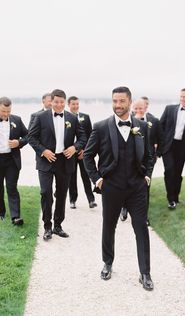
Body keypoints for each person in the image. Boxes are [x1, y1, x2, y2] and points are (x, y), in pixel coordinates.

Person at [84, 86, 154, 291]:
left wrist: (147, 175)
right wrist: (96, 179)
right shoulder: (101, 127)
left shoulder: (142, 126)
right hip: (112, 187)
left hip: (137, 187)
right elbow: (88, 156)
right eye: (114, 101)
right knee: (109, 226)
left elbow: (150, 155)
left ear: (130, 102)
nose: (118, 105)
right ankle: (107, 262)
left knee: (141, 228)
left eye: (122, 101)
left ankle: (145, 272)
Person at [28, 89, 87, 240]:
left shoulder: (72, 118)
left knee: (61, 194)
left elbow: (83, 137)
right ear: (51, 102)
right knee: (45, 193)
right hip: (46, 160)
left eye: (62, 102)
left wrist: (75, 147)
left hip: (65, 161)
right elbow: (32, 138)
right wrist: (43, 151)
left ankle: (58, 226)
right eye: (56, 102)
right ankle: (47, 226)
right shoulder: (40, 117)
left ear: (65, 102)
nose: (59, 105)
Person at [120, 98, 163, 224]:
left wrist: (157, 154)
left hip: (148, 159)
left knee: (145, 187)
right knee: (126, 184)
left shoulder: (154, 121)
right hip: (130, 159)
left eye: (141, 108)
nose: (138, 110)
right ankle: (124, 208)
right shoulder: (127, 120)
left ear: (146, 108)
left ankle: (144, 216)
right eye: (136, 108)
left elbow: (161, 139)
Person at [160, 88, 185, 210]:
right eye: (181, 96)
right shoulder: (169, 109)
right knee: (169, 170)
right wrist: (159, 143)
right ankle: (171, 199)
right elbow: (161, 126)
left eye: (184, 97)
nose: (182, 99)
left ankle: (175, 197)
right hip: (168, 146)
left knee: (177, 174)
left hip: (182, 148)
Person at [0, 97, 28, 224]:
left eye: (8, 111)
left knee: (12, 187)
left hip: (12, 159)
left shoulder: (17, 119)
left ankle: (15, 217)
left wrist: (19, 142)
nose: (6, 114)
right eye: (3, 111)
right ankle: (1, 212)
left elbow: (28, 136)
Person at [67, 96, 97, 209]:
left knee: (86, 175)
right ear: (68, 105)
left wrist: (85, 150)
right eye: (73, 104)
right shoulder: (66, 117)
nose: (75, 106)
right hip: (70, 152)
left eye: (77, 104)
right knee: (72, 177)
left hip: (83, 152)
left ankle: (91, 199)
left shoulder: (86, 117)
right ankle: (72, 200)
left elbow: (90, 136)